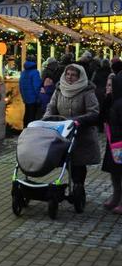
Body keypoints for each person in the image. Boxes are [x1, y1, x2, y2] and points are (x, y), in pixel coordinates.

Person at [43, 64, 100, 204]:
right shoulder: (59, 89)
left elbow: (94, 112)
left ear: (79, 77)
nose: (69, 77)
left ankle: (78, 187)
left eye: (73, 75)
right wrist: (47, 118)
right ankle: (73, 185)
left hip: (81, 135)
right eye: (68, 74)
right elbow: (51, 106)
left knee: (78, 164)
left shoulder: (87, 91)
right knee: (67, 162)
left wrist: (76, 120)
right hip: (63, 133)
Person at [103, 70, 122, 213]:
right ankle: (116, 196)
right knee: (114, 171)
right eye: (107, 85)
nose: (108, 88)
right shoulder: (111, 100)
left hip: (118, 140)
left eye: (111, 86)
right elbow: (102, 117)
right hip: (113, 141)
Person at [19, 55, 42, 128]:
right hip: (34, 98)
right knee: (33, 116)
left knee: (27, 114)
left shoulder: (23, 72)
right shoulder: (35, 72)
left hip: (26, 98)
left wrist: (23, 97)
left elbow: (20, 86)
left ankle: (25, 129)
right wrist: (39, 97)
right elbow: (37, 86)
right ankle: (31, 132)